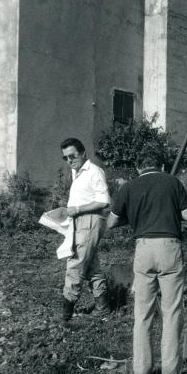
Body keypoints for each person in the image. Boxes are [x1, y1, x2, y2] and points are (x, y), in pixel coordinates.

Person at [106, 150, 187, 374]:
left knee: (142, 314)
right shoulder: (173, 182)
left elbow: (111, 222)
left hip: (143, 248)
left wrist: (133, 218)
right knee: (171, 312)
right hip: (169, 247)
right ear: (163, 166)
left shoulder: (130, 187)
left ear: (137, 168)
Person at [59, 138, 110, 323]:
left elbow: (104, 201)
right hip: (79, 222)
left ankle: (66, 313)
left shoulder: (94, 171)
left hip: (89, 220)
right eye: (65, 158)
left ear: (83, 153)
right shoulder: (76, 172)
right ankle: (102, 307)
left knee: (75, 263)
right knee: (91, 265)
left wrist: (78, 209)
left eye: (72, 156)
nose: (69, 160)